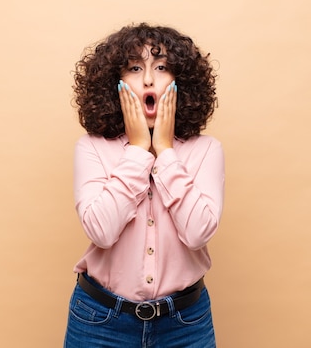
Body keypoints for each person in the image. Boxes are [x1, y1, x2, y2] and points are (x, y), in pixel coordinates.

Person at [64, 22, 224, 348]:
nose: (149, 79)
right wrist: (138, 149)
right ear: (116, 83)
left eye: (161, 67)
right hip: (99, 321)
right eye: (135, 68)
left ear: (181, 81)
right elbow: (101, 231)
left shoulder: (206, 150)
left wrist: (165, 151)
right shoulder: (91, 147)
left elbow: (197, 233)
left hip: (185, 324)